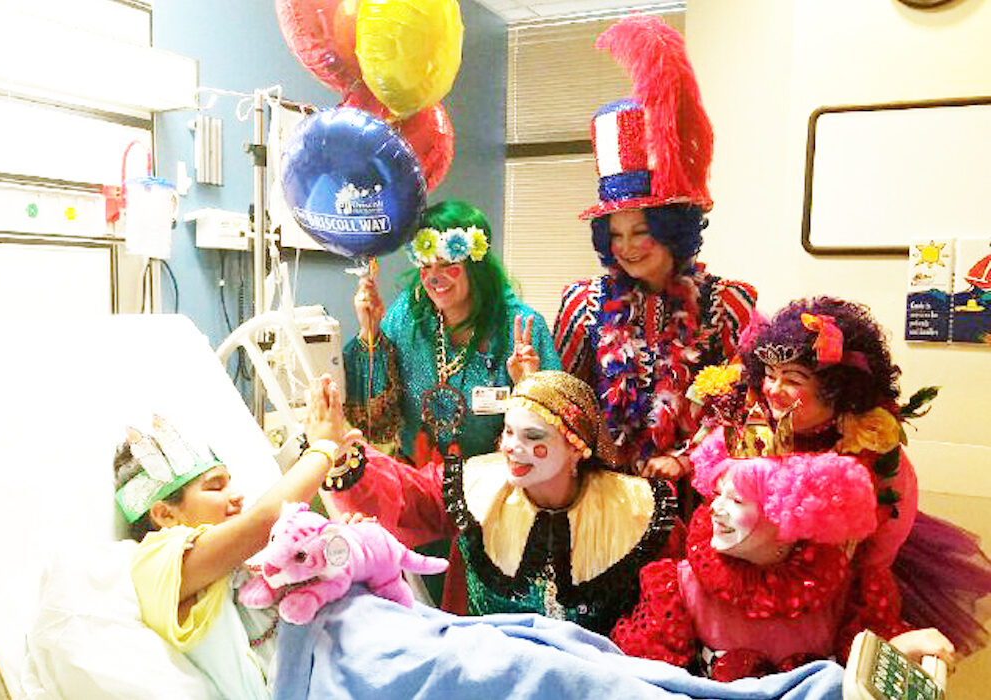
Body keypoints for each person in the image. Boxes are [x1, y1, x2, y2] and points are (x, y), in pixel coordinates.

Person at [553, 16, 756, 485]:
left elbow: (743, 404)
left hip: (698, 495)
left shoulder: (727, 306)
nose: (625, 247)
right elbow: (568, 400)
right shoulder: (583, 306)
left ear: (671, 229)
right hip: (605, 497)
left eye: (640, 230)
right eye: (614, 234)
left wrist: (685, 459)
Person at [321, 370, 683, 633]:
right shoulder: (479, 483)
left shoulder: (638, 510)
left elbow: (668, 616)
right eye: (508, 431)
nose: (512, 447)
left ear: (577, 448)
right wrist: (341, 450)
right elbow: (407, 494)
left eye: (532, 436)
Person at [736, 296, 991, 658]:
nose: (773, 390)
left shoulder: (872, 443)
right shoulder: (758, 427)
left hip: (852, 572)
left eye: (792, 379)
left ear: (838, 390)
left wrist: (855, 581)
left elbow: (891, 521)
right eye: (770, 376)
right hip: (768, 570)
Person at [609, 416, 956, 681]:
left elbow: (864, 680)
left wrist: (896, 651)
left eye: (737, 500)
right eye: (718, 495)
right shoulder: (680, 584)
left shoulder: (845, 591)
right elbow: (646, 682)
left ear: (786, 516)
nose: (714, 509)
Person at [113, 377, 354, 700]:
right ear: (166, 515)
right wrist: (323, 446)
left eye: (230, 483)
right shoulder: (155, 563)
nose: (238, 496)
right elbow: (266, 517)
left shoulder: (254, 556)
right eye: (215, 487)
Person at [346, 199, 561, 463]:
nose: (434, 278)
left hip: (493, 484)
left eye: (448, 265)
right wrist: (370, 332)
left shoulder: (521, 327)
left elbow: (556, 428)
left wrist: (529, 385)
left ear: (475, 266)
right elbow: (373, 417)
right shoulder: (408, 315)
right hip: (417, 476)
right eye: (426, 266)